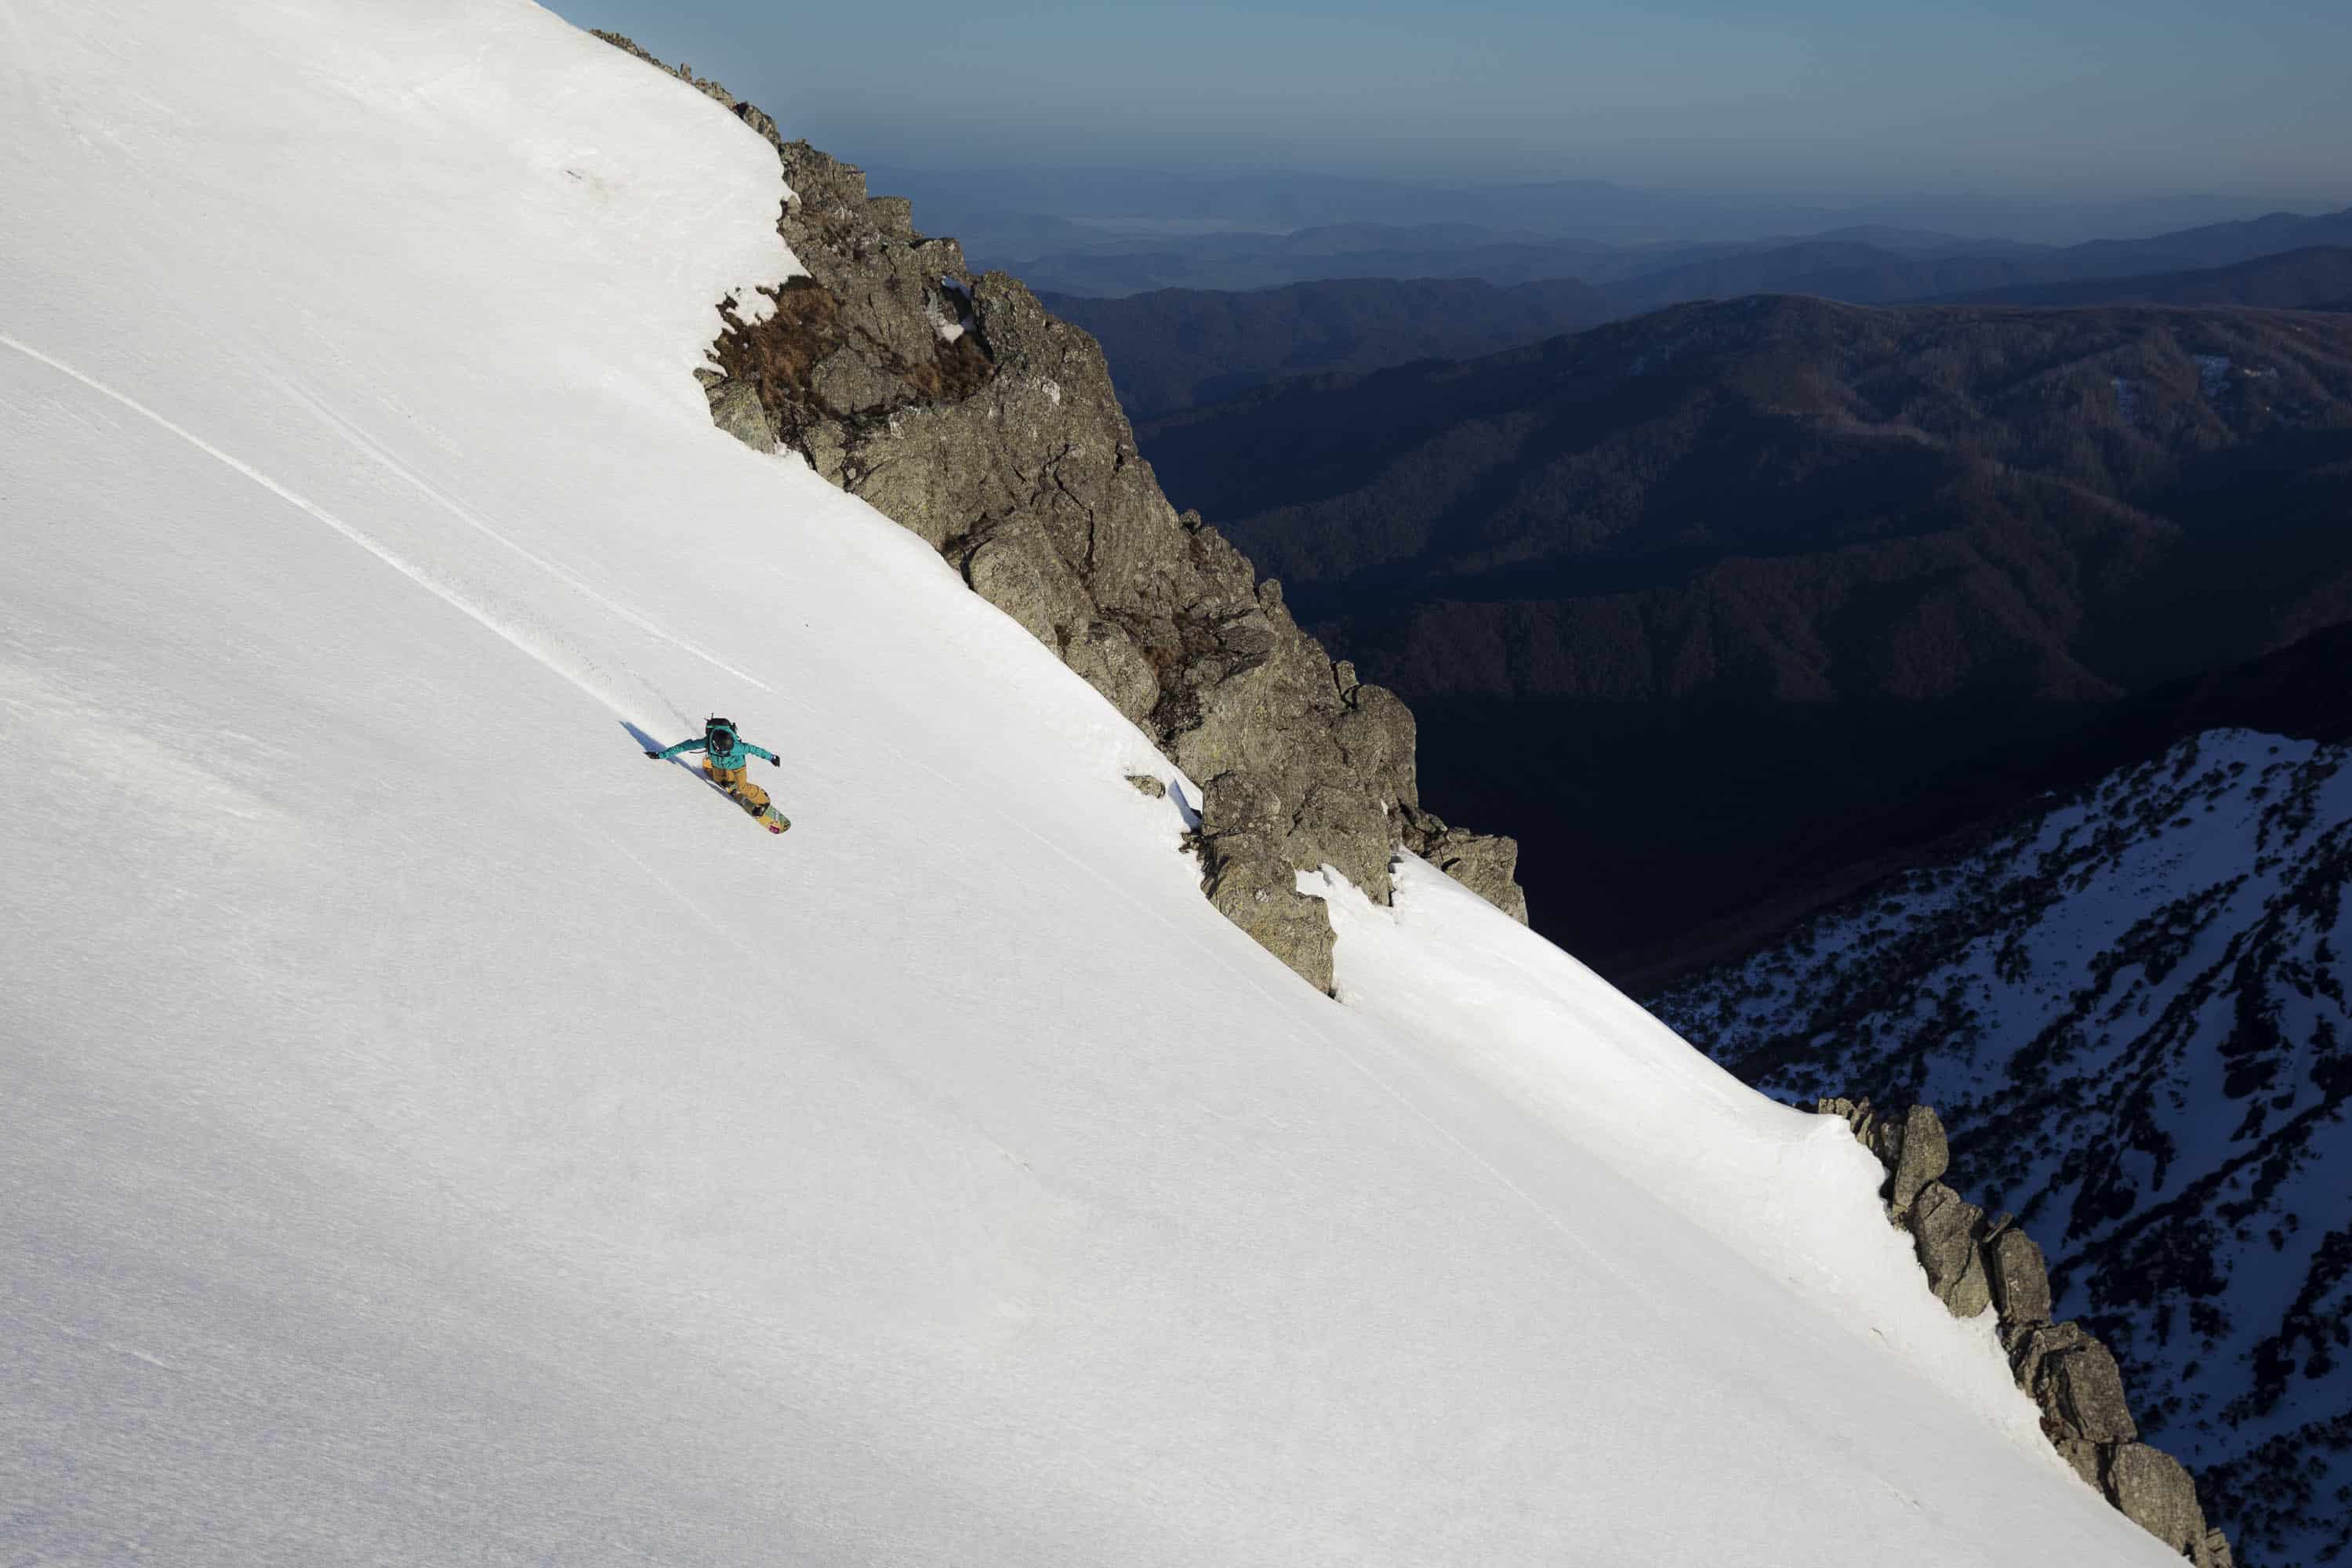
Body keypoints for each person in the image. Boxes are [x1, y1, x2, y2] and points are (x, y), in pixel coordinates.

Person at [645, 716, 781, 810]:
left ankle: (762, 800)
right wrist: (662, 755)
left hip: (738, 766)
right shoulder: (707, 743)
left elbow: (755, 750)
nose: (728, 751)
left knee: (742, 787)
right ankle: (727, 779)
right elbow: (684, 747)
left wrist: (772, 757)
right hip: (717, 764)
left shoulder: (736, 748)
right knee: (718, 778)